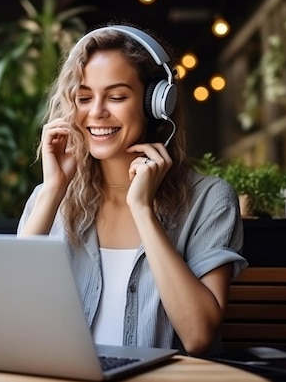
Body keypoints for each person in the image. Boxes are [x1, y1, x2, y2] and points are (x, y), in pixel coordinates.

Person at [17, 21, 247, 357]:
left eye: (117, 96)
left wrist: (142, 210)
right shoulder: (49, 198)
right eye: (84, 97)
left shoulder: (210, 200)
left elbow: (198, 335)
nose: (96, 112)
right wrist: (53, 190)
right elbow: (9, 310)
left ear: (156, 103)